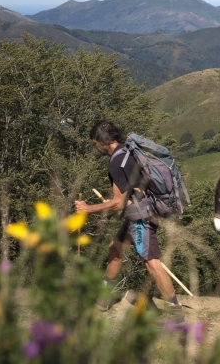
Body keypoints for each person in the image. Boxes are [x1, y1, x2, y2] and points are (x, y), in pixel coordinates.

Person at [74, 120, 183, 319]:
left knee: (152, 264)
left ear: (103, 141)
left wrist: (88, 209)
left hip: (140, 218)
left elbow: (117, 204)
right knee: (115, 248)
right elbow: (128, 193)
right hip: (144, 210)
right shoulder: (129, 150)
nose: (95, 147)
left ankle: (175, 312)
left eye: (94, 143)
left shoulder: (116, 161)